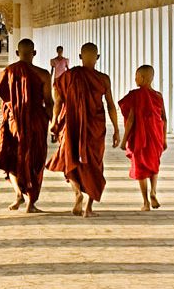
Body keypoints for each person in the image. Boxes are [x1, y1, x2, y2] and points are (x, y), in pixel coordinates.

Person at [48, 42, 120, 217]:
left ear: (80, 57)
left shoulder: (67, 77)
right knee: (94, 165)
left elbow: (58, 103)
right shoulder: (103, 79)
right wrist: (117, 129)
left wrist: (54, 122)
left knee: (69, 159)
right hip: (95, 127)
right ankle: (88, 208)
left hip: (71, 125)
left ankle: (77, 193)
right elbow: (110, 105)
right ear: (98, 57)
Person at [0, 39, 53, 213]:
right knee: (35, 160)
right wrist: (53, 125)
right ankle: (30, 202)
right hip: (36, 122)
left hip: (14, 122)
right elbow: (48, 102)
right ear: (34, 53)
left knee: (11, 158)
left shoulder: (8, 71)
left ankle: (19, 193)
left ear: (17, 53)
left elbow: (4, 96)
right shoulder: (43, 74)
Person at [117, 65, 168, 211]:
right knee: (154, 165)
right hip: (156, 135)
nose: (135, 79)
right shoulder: (158, 96)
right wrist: (164, 139)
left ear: (143, 78)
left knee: (140, 168)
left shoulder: (135, 95)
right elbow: (164, 118)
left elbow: (131, 119)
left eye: (136, 76)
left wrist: (124, 140)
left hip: (140, 137)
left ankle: (146, 202)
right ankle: (153, 191)